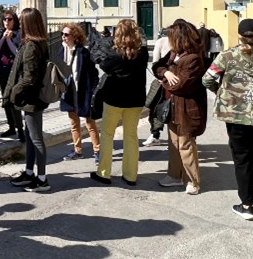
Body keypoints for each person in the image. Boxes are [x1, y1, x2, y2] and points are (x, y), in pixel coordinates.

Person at [202, 19, 253, 221]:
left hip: (235, 115)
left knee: (242, 159)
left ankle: (246, 205)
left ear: (239, 35)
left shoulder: (227, 57)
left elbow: (207, 79)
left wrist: (223, 94)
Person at [89, 19, 148, 186]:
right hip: (135, 100)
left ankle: (104, 172)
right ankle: (130, 175)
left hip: (114, 99)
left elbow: (105, 66)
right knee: (131, 137)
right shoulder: (142, 53)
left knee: (107, 135)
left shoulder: (115, 55)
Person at [154, 21, 207, 195]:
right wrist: (166, 73)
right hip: (173, 106)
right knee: (174, 144)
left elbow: (181, 85)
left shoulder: (193, 58)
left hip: (187, 109)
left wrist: (163, 80)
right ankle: (174, 176)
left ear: (179, 38)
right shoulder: (174, 53)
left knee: (185, 144)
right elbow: (157, 66)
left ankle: (193, 181)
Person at [6, 8, 52, 192]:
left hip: (32, 99)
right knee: (32, 138)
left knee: (36, 138)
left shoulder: (32, 46)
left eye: (22, 21)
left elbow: (29, 77)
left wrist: (14, 91)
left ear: (28, 24)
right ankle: (29, 172)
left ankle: (42, 179)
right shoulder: (38, 43)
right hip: (32, 98)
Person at [56, 23, 100, 163]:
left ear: (75, 37)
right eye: (62, 34)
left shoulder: (83, 52)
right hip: (69, 93)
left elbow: (93, 73)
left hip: (83, 92)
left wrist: (92, 90)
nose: (63, 37)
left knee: (89, 123)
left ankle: (97, 150)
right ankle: (77, 150)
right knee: (73, 123)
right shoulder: (61, 51)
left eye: (66, 34)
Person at [0, 10, 24, 142]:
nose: (7, 22)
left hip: (14, 72)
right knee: (6, 101)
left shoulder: (19, 34)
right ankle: (11, 127)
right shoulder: (0, 34)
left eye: (9, 19)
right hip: (2, 72)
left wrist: (9, 40)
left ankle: (20, 129)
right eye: (4, 19)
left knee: (15, 100)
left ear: (14, 20)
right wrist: (3, 38)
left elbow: (18, 53)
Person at [143, 30, 172, 147]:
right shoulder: (164, 42)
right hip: (164, 81)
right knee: (157, 107)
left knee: (158, 107)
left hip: (165, 81)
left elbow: (155, 62)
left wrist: (160, 75)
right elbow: (155, 63)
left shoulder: (162, 41)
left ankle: (156, 134)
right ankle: (155, 134)